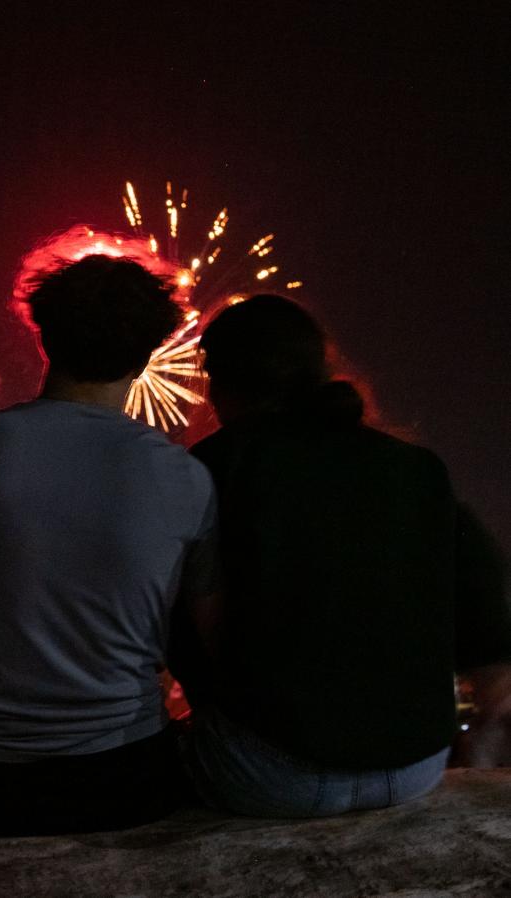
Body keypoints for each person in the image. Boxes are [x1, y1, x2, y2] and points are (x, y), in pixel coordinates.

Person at [0, 254, 219, 835]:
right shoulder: (185, 477)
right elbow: (201, 642)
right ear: (148, 358)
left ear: (44, 341)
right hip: (118, 778)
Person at [178, 294, 511, 817]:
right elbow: (488, 614)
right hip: (415, 767)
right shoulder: (417, 468)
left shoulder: (214, 466)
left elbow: (169, 621)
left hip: (273, 774)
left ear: (219, 382)